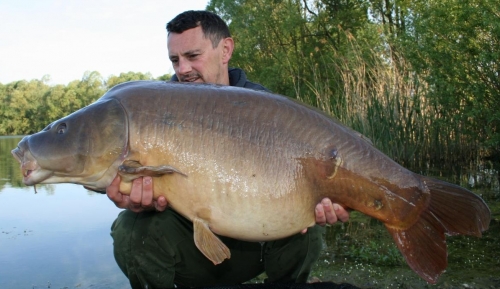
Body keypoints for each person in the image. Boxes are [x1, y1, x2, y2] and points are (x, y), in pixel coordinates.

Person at [106, 10, 350, 288]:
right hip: (193, 249)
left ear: (225, 50)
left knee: (306, 229)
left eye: (192, 56)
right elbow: (106, 166)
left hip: (258, 241)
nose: (182, 69)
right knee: (131, 230)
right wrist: (129, 195)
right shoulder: (157, 112)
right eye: (175, 60)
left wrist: (328, 201)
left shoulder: (266, 108)